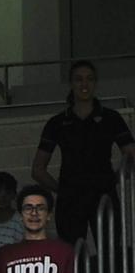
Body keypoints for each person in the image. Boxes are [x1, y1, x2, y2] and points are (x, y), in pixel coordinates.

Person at [32, 59, 135, 244]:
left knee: (111, 252)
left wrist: (117, 178)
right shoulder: (57, 123)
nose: (84, 84)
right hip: (70, 199)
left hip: (104, 194)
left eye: (89, 79)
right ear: (71, 83)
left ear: (95, 83)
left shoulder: (111, 118)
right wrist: (62, 190)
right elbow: (38, 169)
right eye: (78, 79)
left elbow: (131, 155)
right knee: (70, 256)